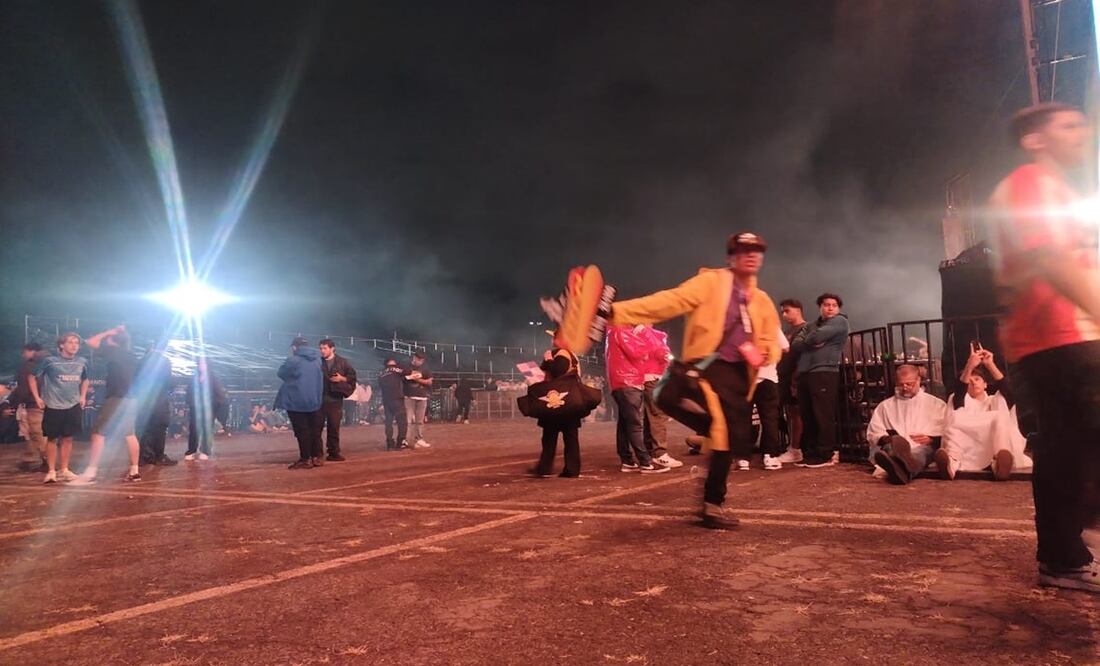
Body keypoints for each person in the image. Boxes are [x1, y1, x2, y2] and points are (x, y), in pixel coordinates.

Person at [989, 103, 1100, 592]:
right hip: (1062, 335)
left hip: (1065, 334)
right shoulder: (1031, 182)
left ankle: (1064, 555)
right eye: (1069, 125)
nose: (1084, 132)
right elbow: (1050, 258)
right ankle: (1063, 555)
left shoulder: (1058, 190)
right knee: (1067, 448)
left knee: (1067, 447)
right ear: (1035, 138)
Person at [609, 232, 780, 529]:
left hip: (739, 378)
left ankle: (713, 504)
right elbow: (669, 301)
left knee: (728, 441)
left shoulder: (762, 301)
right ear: (731, 256)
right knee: (673, 400)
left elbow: (772, 339)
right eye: (743, 250)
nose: (751, 255)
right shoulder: (711, 282)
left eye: (757, 251)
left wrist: (765, 352)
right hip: (706, 366)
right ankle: (708, 440)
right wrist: (616, 312)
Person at [937, 346, 1031, 481]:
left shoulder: (995, 400)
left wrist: (990, 364)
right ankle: (950, 464)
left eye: (977, 379)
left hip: (989, 447)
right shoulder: (959, 400)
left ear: (985, 384)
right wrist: (970, 365)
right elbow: (959, 394)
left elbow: (1008, 391)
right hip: (967, 447)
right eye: (969, 381)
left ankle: (999, 462)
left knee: (999, 417)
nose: (973, 383)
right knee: (955, 419)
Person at [71, 325, 143, 483]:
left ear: (113, 341)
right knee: (129, 434)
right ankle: (134, 470)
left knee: (98, 432)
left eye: (108, 339)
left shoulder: (113, 351)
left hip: (117, 397)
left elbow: (90, 341)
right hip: (132, 399)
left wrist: (109, 332)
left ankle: (91, 472)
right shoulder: (131, 355)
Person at [790, 293, 850, 468]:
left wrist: (810, 338)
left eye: (834, 305)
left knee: (822, 414)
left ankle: (825, 454)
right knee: (807, 414)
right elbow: (796, 343)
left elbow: (812, 338)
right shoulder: (811, 325)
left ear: (838, 308)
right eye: (826, 304)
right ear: (820, 307)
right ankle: (810, 453)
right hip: (805, 374)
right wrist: (812, 338)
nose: (830, 308)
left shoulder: (840, 321)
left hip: (824, 372)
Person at [866, 364, 947, 485]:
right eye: (900, 384)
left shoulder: (936, 404)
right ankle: (903, 468)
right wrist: (889, 438)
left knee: (924, 451)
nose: (905, 388)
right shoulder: (885, 406)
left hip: (923, 446)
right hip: (893, 446)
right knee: (888, 449)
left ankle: (900, 468)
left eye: (909, 384)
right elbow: (874, 432)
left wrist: (932, 438)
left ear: (918, 380)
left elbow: (947, 431)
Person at [606, 324, 669, 474]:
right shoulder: (620, 330)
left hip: (621, 382)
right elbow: (638, 352)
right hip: (628, 381)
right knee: (635, 425)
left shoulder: (613, 331)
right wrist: (646, 334)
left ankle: (627, 460)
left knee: (624, 423)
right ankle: (645, 462)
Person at [29, 332, 89, 484]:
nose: (74, 345)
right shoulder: (50, 361)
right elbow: (32, 377)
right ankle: (51, 471)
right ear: (61, 345)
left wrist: (82, 396)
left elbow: (85, 379)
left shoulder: (82, 361)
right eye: (70, 342)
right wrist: (37, 397)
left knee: (68, 438)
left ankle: (65, 469)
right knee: (52, 438)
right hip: (54, 405)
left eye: (77, 343)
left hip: (73, 404)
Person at [739, 321, 789, 471]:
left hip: (745, 379)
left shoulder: (739, 327)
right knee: (769, 418)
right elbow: (786, 347)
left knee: (743, 419)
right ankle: (769, 456)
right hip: (768, 377)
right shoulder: (770, 326)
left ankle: (743, 458)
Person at [531, 348, 583, 478]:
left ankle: (546, 467)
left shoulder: (562, 354)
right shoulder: (571, 354)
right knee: (569, 437)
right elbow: (544, 368)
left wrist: (548, 360)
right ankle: (569, 469)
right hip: (568, 401)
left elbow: (557, 371)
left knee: (551, 437)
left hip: (558, 401)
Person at [275, 336, 325, 468]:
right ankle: (316, 457)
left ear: (294, 347)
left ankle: (305, 459)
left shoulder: (293, 360)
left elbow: (281, 373)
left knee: (302, 430)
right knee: (314, 430)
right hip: (314, 399)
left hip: (296, 400)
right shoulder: (318, 360)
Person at [640, 325, 682, 468]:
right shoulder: (645, 331)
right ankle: (659, 453)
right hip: (651, 377)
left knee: (650, 415)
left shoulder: (644, 332)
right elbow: (660, 352)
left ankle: (649, 452)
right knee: (657, 414)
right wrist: (665, 353)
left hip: (648, 378)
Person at [775, 299, 809, 464]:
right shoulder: (788, 331)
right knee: (789, 413)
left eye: (787, 310)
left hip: (795, 377)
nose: (784, 314)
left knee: (796, 413)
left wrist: (796, 378)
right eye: (782, 311)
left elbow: (802, 355)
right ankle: (793, 446)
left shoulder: (805, 329)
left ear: (798, 310)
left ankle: (796, 448)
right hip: (783, 376)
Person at [318, 339, 357, 462]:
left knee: (334, 427)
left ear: (332, 348)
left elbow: (353, 378)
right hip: (319, 399)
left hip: (335, 399)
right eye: (321, 348)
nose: (322, 351)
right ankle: (317, 453)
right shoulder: (318, 362)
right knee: (316, 428)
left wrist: (342, 378)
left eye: (324, 348)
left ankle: (333, 452)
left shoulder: (343, 362)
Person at [138, 345, 176, 466]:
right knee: (160, 428)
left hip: (143, 401)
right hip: (159, 400)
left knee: (144, 429)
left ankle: (143, 457)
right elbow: (170, 382)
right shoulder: (164, 361)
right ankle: (158, 456)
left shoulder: (140, 362)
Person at [11, 342, 47, 472]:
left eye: (25, 352)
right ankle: (30, 459)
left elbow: (24, 388)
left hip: (33, 403)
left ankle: (47, 459)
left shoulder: (28, 367)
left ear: (31, 351)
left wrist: (15, 403)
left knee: (37, 432)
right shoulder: (47, 364)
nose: (23, 355)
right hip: (41, 403)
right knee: (31, 432)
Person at [185, 358, 228, 461]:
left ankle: (205, 451)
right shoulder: (194, 378)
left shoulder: (213, 378)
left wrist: (216, 408)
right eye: (199, 363)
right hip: (196, 408)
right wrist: (190, 404)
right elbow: (189, 392)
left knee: (207, 430)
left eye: (203, 364)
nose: (201, 365)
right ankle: (192, 450)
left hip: (209, 408)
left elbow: (219, 394)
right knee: (193, 429)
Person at [403, 352, 433, 448]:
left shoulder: (425, 368)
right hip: (409, 397)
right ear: (414, 358)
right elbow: (403, 378)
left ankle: (418, 439)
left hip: (422, 397)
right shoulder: (406, 366)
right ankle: (405, 440)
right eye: (418, 359)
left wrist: (417, 380)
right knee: (407, 420)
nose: (419, 362)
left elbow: (429, 382)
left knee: (419, 421)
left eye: (421, 360)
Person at [378, 357, 408, 450]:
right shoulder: (397, 369)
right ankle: (401, 442)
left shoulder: (381, 373)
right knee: (402, 422)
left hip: (386, 400)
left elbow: (380, 385)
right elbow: (408, 372)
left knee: (388, 422)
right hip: (397, 399)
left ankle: (389, 443)